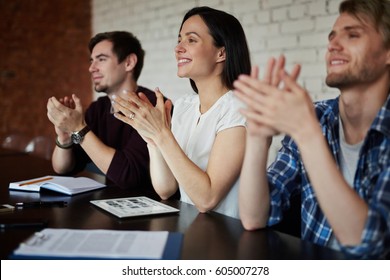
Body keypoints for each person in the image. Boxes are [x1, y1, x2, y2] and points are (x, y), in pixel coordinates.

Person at [234, 0, 390, 258]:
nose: (333, 45)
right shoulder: (317, 116)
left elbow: (371, 247)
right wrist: (258, 137)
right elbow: (254, 217)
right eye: (332, 36)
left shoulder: (308, 124)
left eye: (352, 35)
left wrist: (307, 134)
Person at [111, 6, 251, 219]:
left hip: (229, 237)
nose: (178, 48)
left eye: (191, 40)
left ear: (221, 53)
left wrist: (162, 134)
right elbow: (165, 188)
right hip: (192, 227)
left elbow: (207, 199)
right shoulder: (185, 106)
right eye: (179, 39)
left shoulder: (239, 107)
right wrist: (153, 141)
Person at [46, 31, 157, 191]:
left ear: (129, 63)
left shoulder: (151, 105)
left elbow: (130, 176)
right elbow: (64, 168)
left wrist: (78, 129)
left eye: (101, 59)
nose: (91, 68)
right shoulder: (98, 108)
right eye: (91, 61)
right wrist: (65, 139)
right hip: (111, 205)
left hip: (152, 208)